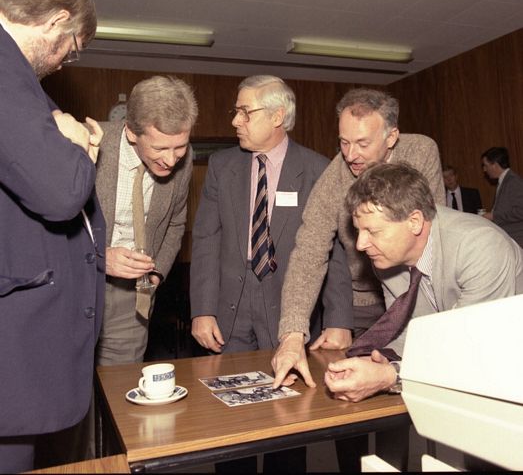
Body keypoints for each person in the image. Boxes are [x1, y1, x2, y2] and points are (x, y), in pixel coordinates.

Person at [271, 87, 444, 471]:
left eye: (363, 143)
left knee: (395, 404)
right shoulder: (336, 176)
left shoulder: (421, 151)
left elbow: (432, 235)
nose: (351, 155)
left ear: (392, 137)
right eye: (344, 142)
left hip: (411, 297)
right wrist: (292, 334)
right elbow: (309, 252)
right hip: (361, 302)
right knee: (346, 400)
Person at [190, 75, 351, 474]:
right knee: (230, 420)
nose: (236, 121)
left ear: (278, 116)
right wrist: (202, 309)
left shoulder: (318, 170)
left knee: (287, 416)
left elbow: (334, 252)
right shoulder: (223, 165)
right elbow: (207, 238)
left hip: (290, 306)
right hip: (230, 306)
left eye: (246, 111)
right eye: (237, 111)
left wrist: (339, 320)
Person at [0, 0, 105, 473]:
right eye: (73, 47)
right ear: (58, 20)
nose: (66, 60)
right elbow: (61, 194)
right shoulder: (4, 72)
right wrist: (80, 146)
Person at [323, 161, 521, 403]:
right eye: (358, 231)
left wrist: (390, 376)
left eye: (372, 231)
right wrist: (376, 360)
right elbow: (412, 334)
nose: (361, 244)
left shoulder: (480, 247)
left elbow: (471, 351)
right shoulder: (387, 257)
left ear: (414, 221)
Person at [96, 75, 197, 365]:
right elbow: (53, 224)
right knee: (70, 391)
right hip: (76, 284)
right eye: (160, 149)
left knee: (121, 387)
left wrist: (157, 273)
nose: (171, 159)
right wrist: (99, 256)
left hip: (132, 294)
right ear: (131, 132)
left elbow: (177, 222)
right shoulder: (90, 144)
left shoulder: (184, 157)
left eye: (179, 147)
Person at [481, 147, 523, 248]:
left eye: (486, 165)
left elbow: (521, 211)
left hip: (517, 240)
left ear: (495, 165)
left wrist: (493, 216)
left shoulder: (513, 181)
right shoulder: (505, 181)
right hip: (510, 239)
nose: (484, 169)